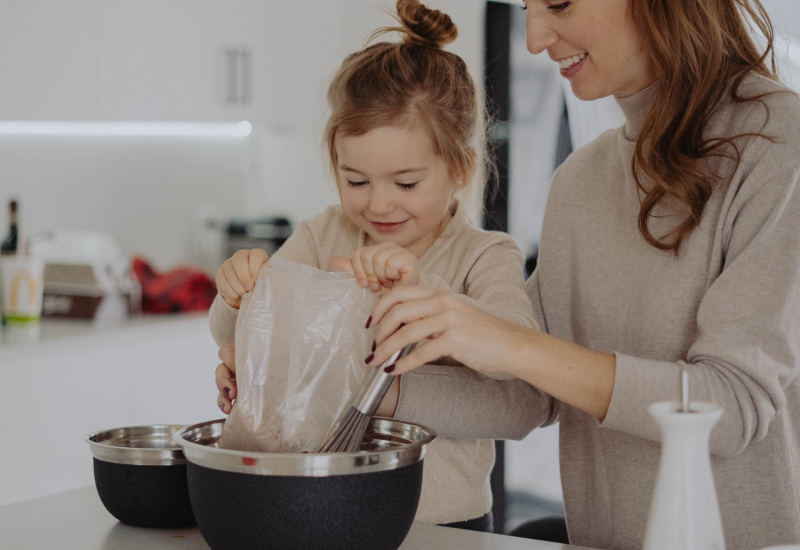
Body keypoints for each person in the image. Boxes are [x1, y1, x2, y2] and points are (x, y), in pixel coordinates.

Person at [364, 1, 800, 549]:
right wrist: (351, 382)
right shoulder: (580, 178)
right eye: (528, 7)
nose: (534, 38)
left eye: (559, 3)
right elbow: (529, 398)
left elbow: (731, 407)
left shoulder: (780, 143)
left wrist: (511, 341)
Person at [209, 0, 545, 533]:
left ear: (460, 168)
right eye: (356, 181)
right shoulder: (324, 234)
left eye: (406, 183)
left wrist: (422, 292)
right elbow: (238, 334)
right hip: (320, 509)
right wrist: (236, 295)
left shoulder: (483, 255)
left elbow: (518, 359)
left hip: (444, 525)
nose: (379, 205)